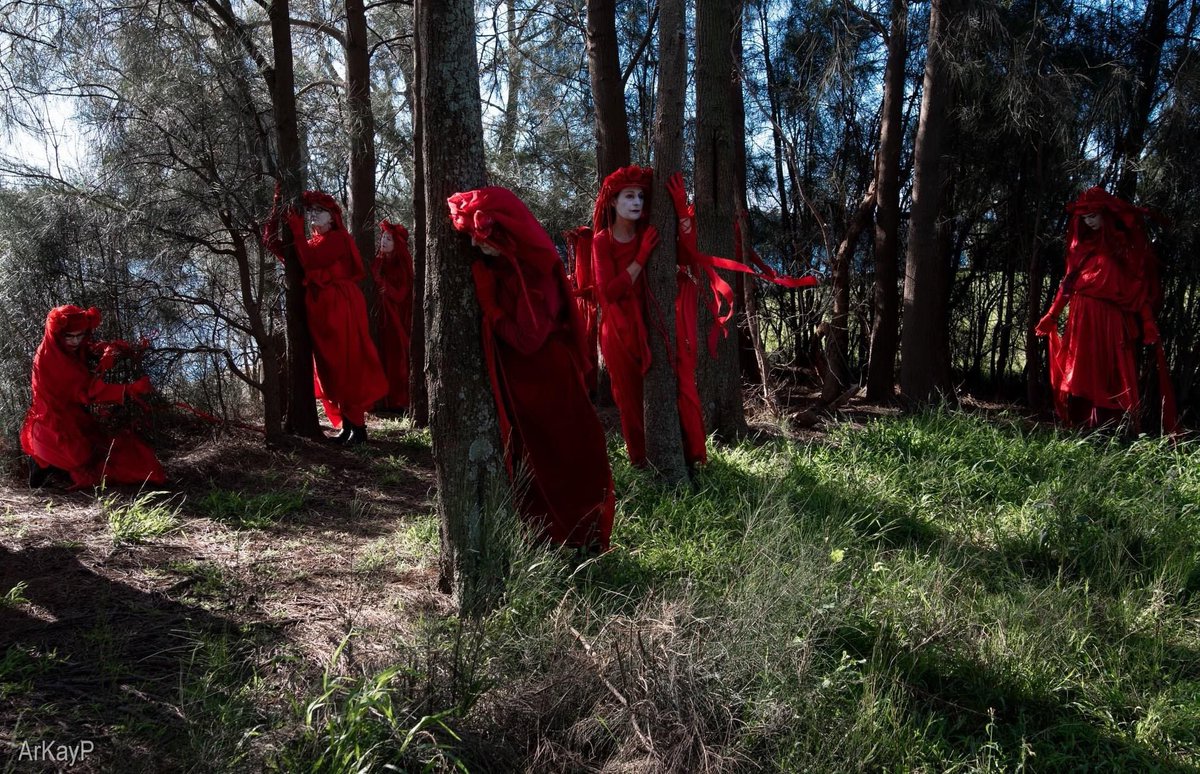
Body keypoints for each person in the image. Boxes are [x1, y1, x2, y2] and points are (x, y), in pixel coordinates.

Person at [447, 186, 615, 552]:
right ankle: (550, 536)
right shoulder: (510, 267)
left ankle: (574, 537)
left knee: (557, 459)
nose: (476, 248)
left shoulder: (533, 275)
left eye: (483, 239)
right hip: (527, 383)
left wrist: (490, 304)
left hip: (545, 382)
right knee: (535, 460)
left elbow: (527, 338)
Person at [587, 165, 708, 467]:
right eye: (629, 196)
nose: (637, 202)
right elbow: (608, 293)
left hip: (656, 322)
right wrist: (641, 258)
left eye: (641, 196)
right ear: (613, 202)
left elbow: (687, 255)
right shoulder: (602, 240)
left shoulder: (649, 231)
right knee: (630, 399)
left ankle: (690, 455)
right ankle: (642, 463)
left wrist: (681, 212)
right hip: (618, 330)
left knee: (675, 387)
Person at [1035, 186, 1176, 432]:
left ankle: (1111, 429)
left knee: (1109, 373)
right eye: (1084, 217)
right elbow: (1067, 285)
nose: (1088, 221)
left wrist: (1147, 324)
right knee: (1081, 371)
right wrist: (1052, 315)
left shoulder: (1122, 248)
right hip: (1081, 319)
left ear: (1106, 214)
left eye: (1093, 215)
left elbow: (1135, 287)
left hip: (1109, 320)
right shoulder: (1079, 248)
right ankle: (1083, 426)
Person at [267, 190, 388, 444]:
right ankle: (348, 426)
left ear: (332, 218)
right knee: (330, 368)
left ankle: (359, 429)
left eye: (319, 211)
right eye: (311, 211)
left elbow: (311, 261)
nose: (312, 216)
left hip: (341, 308)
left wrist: (297, 231)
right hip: (321, 310)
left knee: (346, 364)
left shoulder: (338, 238)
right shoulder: (309, 243)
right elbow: (274, 245)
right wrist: (277, 208)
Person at [21, 305, 165, 489]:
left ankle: (50, 471)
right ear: (57, 333)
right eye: (69, 336)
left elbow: (85, 349)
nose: (75, 341)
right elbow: (87, 391)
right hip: (53, 417)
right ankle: (47, 471)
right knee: (73, 455)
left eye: (80, 335)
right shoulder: (50, 357)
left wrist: (105, 350)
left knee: (84, 453)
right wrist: (128, 389)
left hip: (68, 414)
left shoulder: (61, 346)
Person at [374, 219, 414, 412]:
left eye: (389, 239)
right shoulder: (379, 261)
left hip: (398, 320)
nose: (384, 241)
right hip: (383, 319)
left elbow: (401, 294)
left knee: (397, 358)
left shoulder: (402, 265)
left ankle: (400, 402)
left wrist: (383, 284)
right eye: (383, 237)